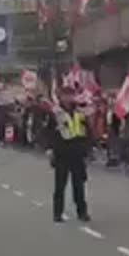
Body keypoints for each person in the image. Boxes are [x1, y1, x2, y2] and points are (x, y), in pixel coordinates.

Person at [45, 86, 91, 223]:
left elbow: (86, 130)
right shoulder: (55, 113)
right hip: (61, 152)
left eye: (71, 95)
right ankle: (57, 213)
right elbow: (48, 132)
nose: (68, 98)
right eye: (65, 95)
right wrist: (49, 148)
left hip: (77, 152)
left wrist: (88, 148)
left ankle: (82, 212)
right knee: (60, 185)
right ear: (60, 97)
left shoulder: (79, 111)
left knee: (79, 185)